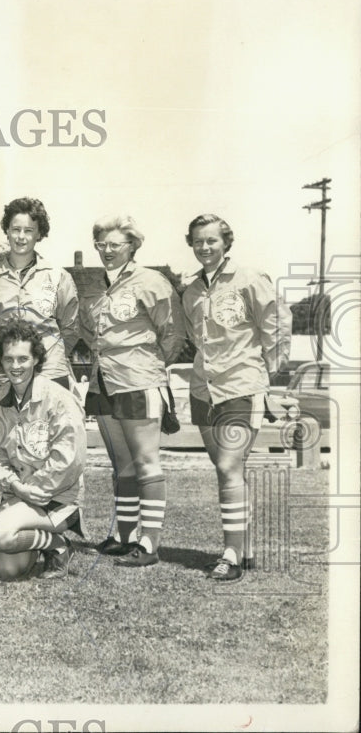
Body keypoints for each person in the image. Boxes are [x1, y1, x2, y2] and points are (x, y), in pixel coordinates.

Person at [181, 214, 290, 581]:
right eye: (198, 241)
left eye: (212, 240)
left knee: (229, 468)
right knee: (228, 471)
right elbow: (195, 338)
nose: (204, 247)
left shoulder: (250, 278)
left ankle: (229, 553)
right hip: (202, 390)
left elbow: (276, 324)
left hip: (242, 387)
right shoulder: (191, 289)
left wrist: (266, 374)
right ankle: (244, 548)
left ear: (227, 242)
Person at [79, 215, 183, 567]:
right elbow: (86, 331)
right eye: (102, 245)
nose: (107, 251)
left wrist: (147, 369)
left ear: (133, 245)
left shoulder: (152, 281)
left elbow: (173, 335)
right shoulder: (95, 287)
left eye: (115, 245)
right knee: (121, 465)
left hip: (139, 382)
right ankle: (124, 537)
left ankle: (149, 543)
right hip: (103, 382)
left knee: (145, 463)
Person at [0, 320, 86, 581]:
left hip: (57, 497)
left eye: (23, 359)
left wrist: (34, 489)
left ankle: (57, 541)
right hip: (20, 494)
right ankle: (55, 545)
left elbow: (69, 459)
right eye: (8, 359)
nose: (15, 366)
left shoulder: (59, 398)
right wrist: (16, 486)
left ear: (36, 358)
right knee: (8, 570)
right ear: (0, 361)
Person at [0, 197, 79, 392]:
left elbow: (70, 329)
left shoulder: (59, 277)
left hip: (49, 372)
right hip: (1, 375)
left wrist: (44, 355)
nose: (21, 237)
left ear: (39, 233)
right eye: (15, 230)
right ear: (7, 232)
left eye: (28, 231)